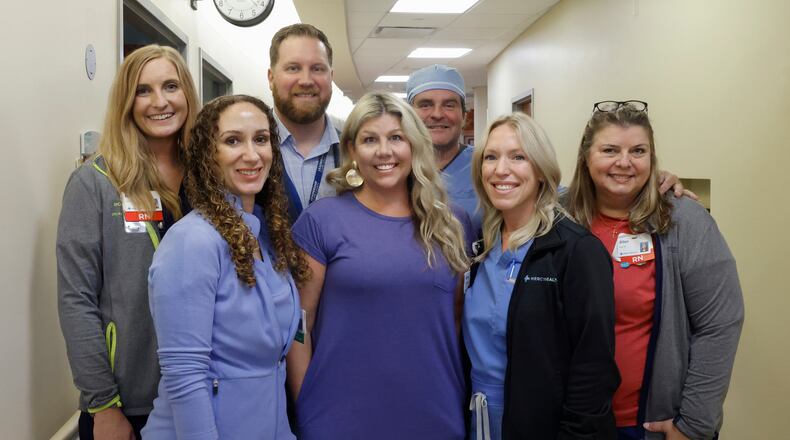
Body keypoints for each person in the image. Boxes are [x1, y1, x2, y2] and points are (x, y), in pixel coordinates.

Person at [287, 91, 472, 439]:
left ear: (414, 145)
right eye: (370, 139)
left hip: (433, 412)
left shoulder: (451, 224)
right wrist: (306, 406)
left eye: (396, 138)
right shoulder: (322, 221)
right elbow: (299, 326)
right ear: (352, 150)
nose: (384, 151)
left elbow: (456, 319)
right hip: (337, 417)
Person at [565, 100, 744, 440]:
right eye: (609, 150)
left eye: (638, 151)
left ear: (652, 158)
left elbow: (720, 325)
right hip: (572, 421)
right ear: (586, 157)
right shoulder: (559, 219)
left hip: (649, 423)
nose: (624, 162)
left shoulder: (685, 221)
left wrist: (693, 425)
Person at [142, 95, 310, 439]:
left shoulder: (265, 237)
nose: (252, 154)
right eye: (233, 141)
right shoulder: (193, 242)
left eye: (260, 139)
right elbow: (185, 375)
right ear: (209, 155)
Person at [57, 45, 198, 440]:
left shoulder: (208, 180)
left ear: (187, 93)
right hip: (129, 404)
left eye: (171, 86)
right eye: (143, 90)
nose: (160, 102)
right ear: (126, 102)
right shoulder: (95, 183)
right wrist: (103, 404)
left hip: (201, 391)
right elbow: (75, 299)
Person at [464, 112, 620, 439]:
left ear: (540, 170)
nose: (501, 169)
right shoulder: (481, 245)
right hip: (479, 416)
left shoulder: (576, 251)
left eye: (518, 157)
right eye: (490, 157)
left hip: (542, 424)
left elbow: (593, 370)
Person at [268, 23, 342, 220]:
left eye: (317, 69)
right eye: (293, 68)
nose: (306, 80)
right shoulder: (239, 151)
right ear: (271, 78)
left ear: (331, 77)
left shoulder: (356, 151)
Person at [406, 64, 481, 235]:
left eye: (449, 105)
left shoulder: (485, 165)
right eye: (425, 105)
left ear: (464, 116)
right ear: (409, 115)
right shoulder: (394, 169)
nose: (437, 114)